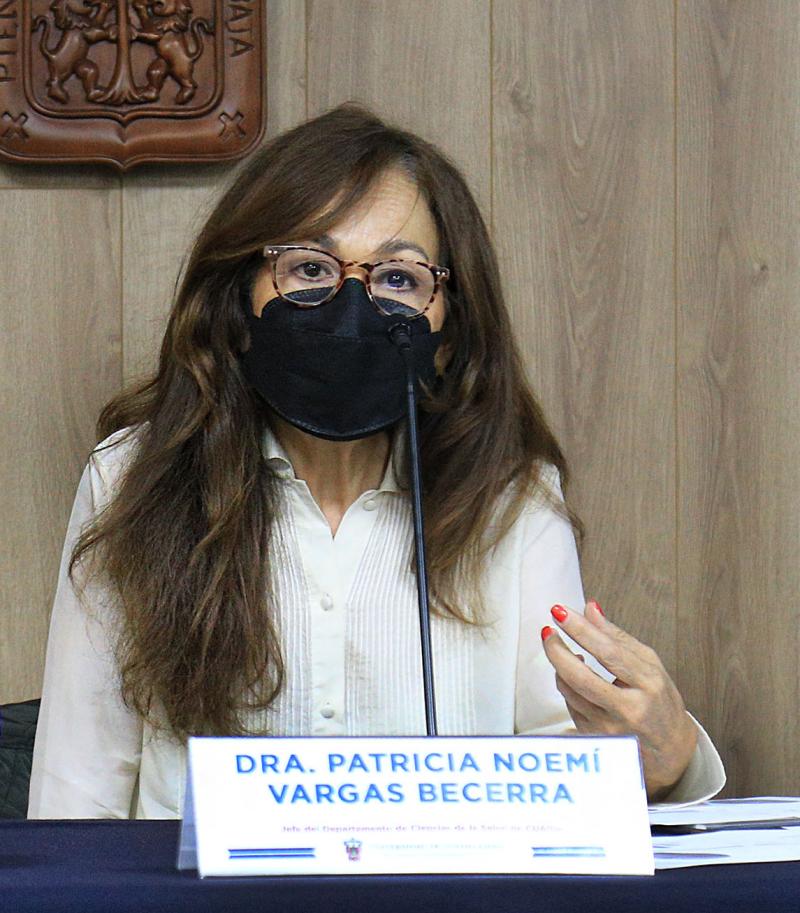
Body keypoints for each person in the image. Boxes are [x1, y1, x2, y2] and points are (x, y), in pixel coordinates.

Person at [28, 103, 725, 820]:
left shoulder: (509, 497)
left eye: (398, 278)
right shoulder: (132, 476)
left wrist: (666, 758)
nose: (352, 306)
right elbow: (76, 791)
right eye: (309, 267)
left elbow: (566, 771)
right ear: (236, 301)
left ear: (450, 327)